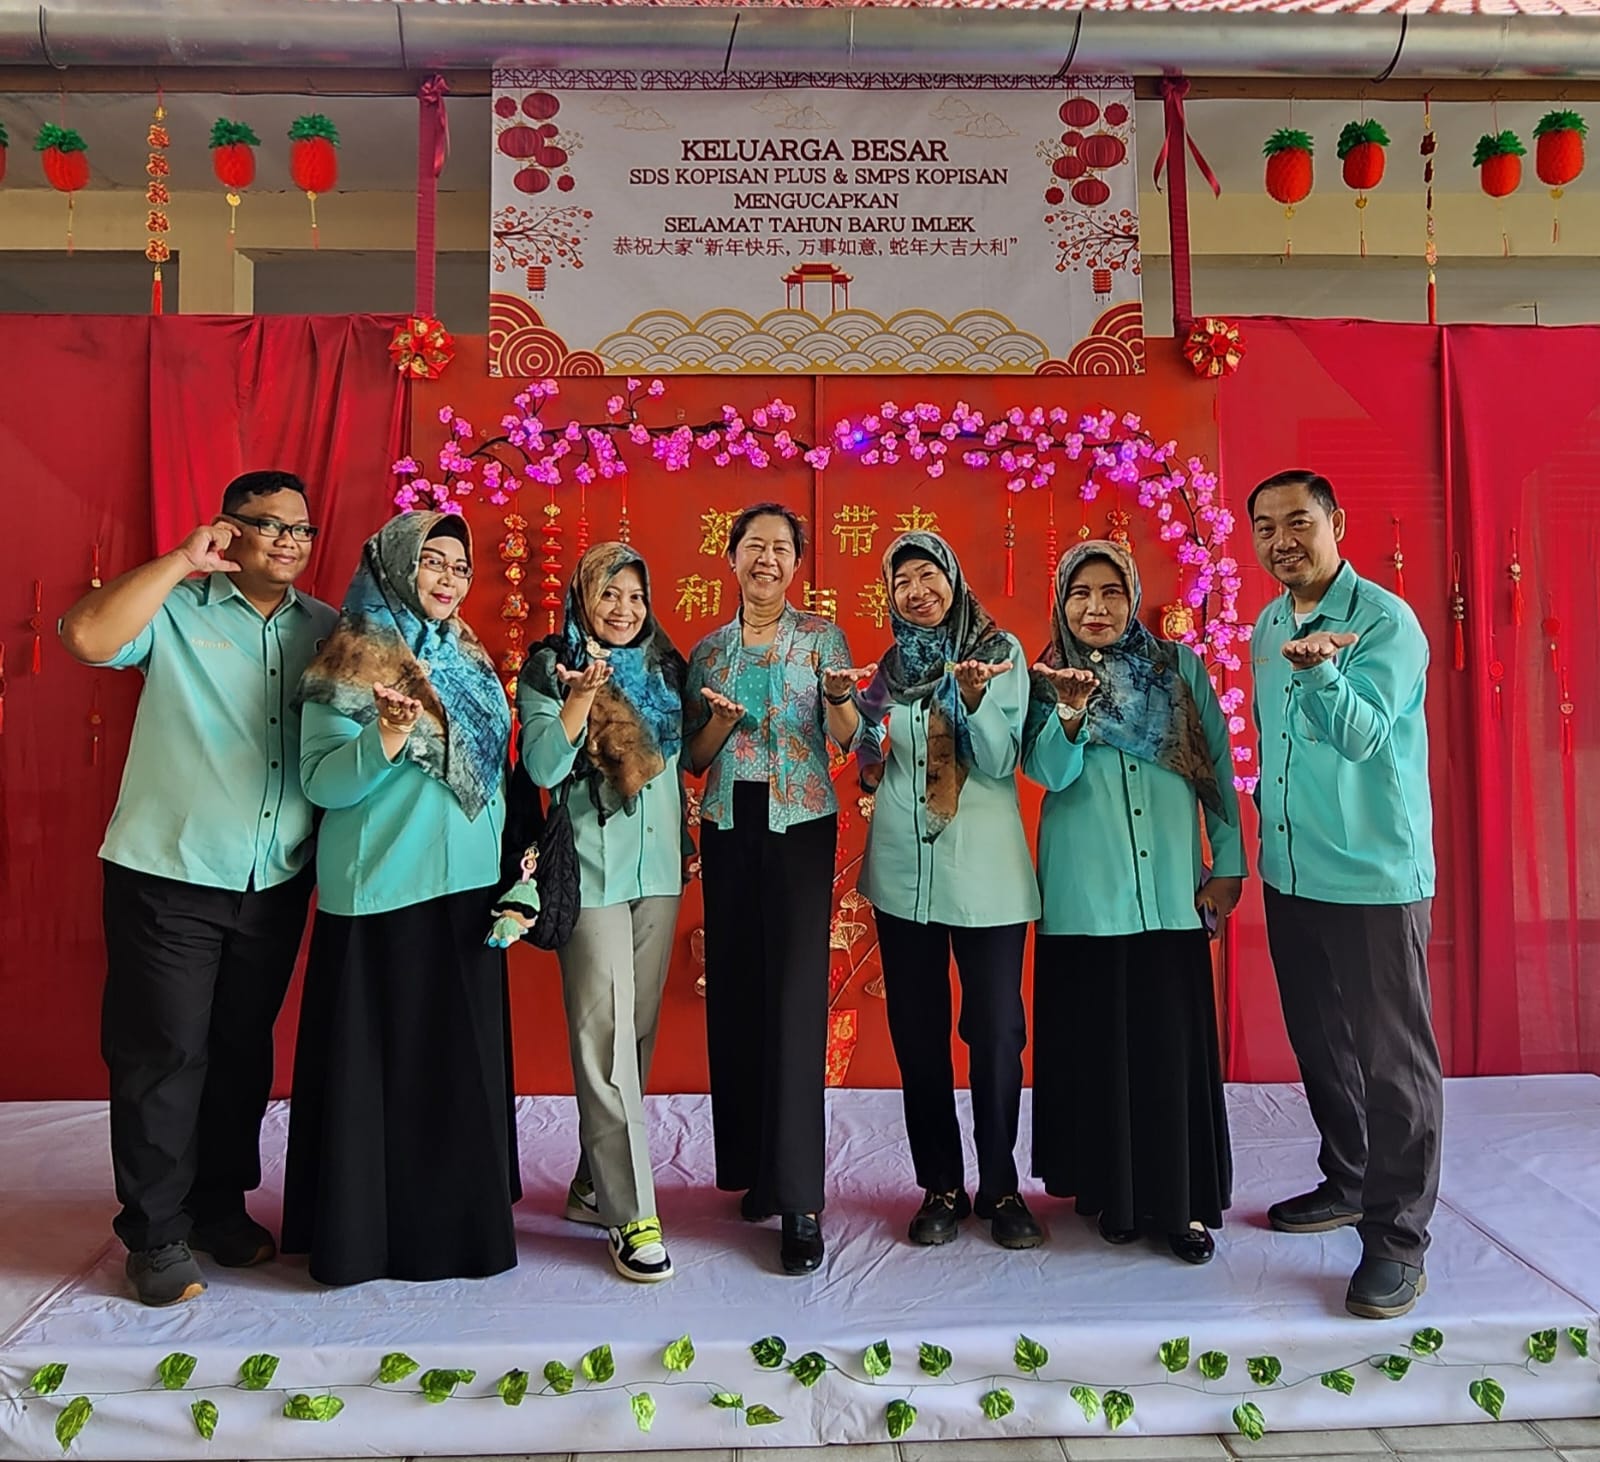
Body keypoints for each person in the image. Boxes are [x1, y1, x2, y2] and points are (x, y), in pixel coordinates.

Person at [58, 470, 335, 1308]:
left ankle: (217, 1207)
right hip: (169, 873)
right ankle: (155, 1234)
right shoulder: (176, 607)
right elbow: (84, 637)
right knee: (165, 1053)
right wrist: (181, 561)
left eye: (301, 528)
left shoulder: (325, 628)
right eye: (270, 524)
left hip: (274, 875)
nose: (288, 540)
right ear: (229, 528)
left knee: (241, 1051)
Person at [282, 510, 519, 1286]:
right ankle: (368, 1242)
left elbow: (494, 775)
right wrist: (383, 736)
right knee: (383, 1077)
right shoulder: (350, 657)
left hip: (469, 889)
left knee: (456, 1071)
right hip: (383, 890)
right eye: (432, 561)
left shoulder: (471, 658)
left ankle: (455, 1233)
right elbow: (322, 784)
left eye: (460, 565)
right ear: (393, 565)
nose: (449, 578)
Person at [1249, 469, 1441, 1320]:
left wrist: (1324, 672)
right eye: (1265, 528)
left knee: (1392, 1060)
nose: (1281, 540)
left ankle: (1397, 1241)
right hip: (1293, 869)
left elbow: (1362, 738)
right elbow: (1273, 740)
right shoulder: (1267, 623)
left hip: (1371, 876)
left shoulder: (1384, 622)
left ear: (1337, 523)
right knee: (1322, 1041)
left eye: (1298, 521)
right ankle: (1349, 1178)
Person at [1023, 541, 1243, 1265]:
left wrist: (1228, 864)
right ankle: (1111, 1195)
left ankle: (1181, 1205)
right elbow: (1047, 773)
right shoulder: (1046, 675)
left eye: (1111, 591)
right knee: (1100, 1053)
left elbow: (1215, 766)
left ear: (1133, 596)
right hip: (1086, 896)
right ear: (1062, 602)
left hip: (1171, 893)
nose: (1096, 607)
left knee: (1167, 1053)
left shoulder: (1178, 668)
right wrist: (1070, 714)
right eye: (1080, 593)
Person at [684, 502, 863, 1277]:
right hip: (729, 823)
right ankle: (756, 1168)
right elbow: (695, 757)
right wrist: (721, 725)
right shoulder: (708, 650)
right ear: (730, 557)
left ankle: (800, 1200)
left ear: (796, 562)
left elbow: (851, 740)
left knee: (793, 998)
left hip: (799, 824)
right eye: (753, 545)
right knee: (738, 992)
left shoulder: (823, 639)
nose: (766, 558)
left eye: (781, 547)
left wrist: (838, 698)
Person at [852, 531, 1042, 1250]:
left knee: (995, 1033)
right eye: (902, 582)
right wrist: (867, 760)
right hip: (903, 874)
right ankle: (939, 1184)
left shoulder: (999, 653)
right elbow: (865, 738)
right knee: (918, 1034)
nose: (917, 592)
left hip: (985, 876)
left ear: (953, 580)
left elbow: (998, 760)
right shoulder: (892, 668)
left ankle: (1000, 1186)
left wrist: (976, 698)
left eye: (928, 575)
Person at [510, 542, 687, 1284]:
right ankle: (631, 1212)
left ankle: (591, 1183)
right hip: (591, 872)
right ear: (583, 598)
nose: (624, 608)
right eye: (609, 593)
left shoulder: (666, 668)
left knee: (635, 1034)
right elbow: (543, 765)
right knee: (605, 1039)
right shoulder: (550, 666)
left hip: (660, 871)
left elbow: (687, 759)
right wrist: (581, 697)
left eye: (636, 595)